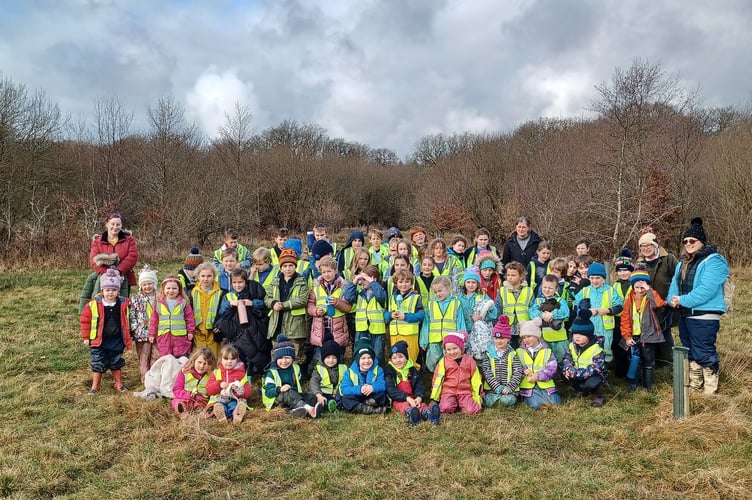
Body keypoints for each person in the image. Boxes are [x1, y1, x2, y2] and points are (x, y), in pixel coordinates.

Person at [668, 217, 729, 394]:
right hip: (685, 314)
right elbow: (674, 285)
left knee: (704, 351)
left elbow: (707, 290)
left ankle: (710, 390)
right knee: (691, 351)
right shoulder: (682, 263)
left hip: (704, 315)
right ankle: (695, 386)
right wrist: (672, 299)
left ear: (701, 241)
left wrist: (682, 300)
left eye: (692, 240)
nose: (688, 244)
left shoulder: (714, 261)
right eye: (685, 241)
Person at [80, 269, 132, 395]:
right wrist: (86, 337)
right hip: (98, 339)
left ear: (118, 291)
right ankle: (95, 386)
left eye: (114, 290)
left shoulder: (124, 304)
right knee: (98, 361)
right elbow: (85, 321)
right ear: (102, 291)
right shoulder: (93, 305)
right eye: (107, 290)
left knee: (116, 361)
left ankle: (118, 383)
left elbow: (130, 319)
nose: (110, 293)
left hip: (117, 339)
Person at [215, 268, 270, 377]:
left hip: (253, 328)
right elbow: (222, 311)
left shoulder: (253, 292)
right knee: (239, 352)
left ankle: (255, 373)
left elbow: (264, 304)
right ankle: (240, 374)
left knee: (255, 350)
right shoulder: (228, 296)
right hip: (235, 330)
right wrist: (231, 304)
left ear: (246, 281)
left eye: (240, 282)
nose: (237, 285)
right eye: (234, 282)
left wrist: (252, 303)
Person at [636, 228, 680, 365]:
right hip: (646, 304)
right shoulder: (639, 263)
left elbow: (678, 278)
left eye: (648, 245)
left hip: (665, 304)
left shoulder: (668, 259)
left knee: (664, 330)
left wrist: (672, 299)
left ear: (655, 246)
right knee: (649, 330)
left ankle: (666, 362)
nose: (645, 248)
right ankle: (650, 362)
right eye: (642, 246)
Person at [620, 270, 667, 392]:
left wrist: (648, 289)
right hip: (633, 337)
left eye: (643, 287)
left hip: (648, 336)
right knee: (634, 361)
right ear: (633, 287)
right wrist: (627, 337)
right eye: (637, 287)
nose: (640, 290)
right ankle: (633, 385)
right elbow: (625, 319)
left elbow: (658, 304)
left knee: (648, 362)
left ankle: (648, 386)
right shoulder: (629, 300)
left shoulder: (650, 297)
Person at [264, 248, 310, 365]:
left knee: (295, 356)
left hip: (295, 326)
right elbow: (267, 298)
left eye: (291, 265)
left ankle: (295, 375)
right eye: (285, 266)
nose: (288, 268)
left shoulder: (301, 281)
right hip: (277, 324)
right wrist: (273, 303)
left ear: (295, 266)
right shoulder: (275, 281)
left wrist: (283, 305)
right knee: (277, 355)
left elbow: (302, 300)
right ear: (281, 267)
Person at [307, 256, 356, 362]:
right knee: (320, 358)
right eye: (323, 272)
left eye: (329, 271)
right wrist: (315, 311)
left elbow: (348, 307)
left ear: (335, 270)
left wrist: (337, 303)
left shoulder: (344, 286)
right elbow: (310, 304)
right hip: (320, 328)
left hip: (338, 330)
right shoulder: (315, 286)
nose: (326, 274)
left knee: (338, 358)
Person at [574, 262, 623, 364]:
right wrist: (585, 311)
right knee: (589, 349)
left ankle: (605, 368)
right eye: (592, 278)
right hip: (588, 327)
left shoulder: (610, 291)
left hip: (605, 329)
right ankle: (589, 369)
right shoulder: (585, 291)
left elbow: (619, 307)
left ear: (603, 278)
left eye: (597, 278)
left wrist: (608, 310)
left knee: (606, 350)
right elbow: (576, 306)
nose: (594, 281)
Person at [262, 336, 321, 418]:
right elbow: (268, 393)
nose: (284, 361)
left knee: (311, 396)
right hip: (275, 399)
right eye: (280, 358)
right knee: (288, 392)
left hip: (292, 396)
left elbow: (297, 387)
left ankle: (293, 411)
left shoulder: (296, 368)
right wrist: (280, 389)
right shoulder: (271, 373)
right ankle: (310, 410)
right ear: (275, 359)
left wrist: (294, 390)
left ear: (292, 358)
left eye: (287, 358)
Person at [384, 341, 440, 425]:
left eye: (401, 357)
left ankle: (428, 413)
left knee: (421, 405)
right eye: (394, 358)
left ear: (406, 358)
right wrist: (407, 398)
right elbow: (391, 390)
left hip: (413, 397)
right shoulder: (389, 371)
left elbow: (419, 385)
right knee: (404, 405)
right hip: (399, 399)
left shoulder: (412, 370)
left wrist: (419, 397)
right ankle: (411, 413)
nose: (398, 360)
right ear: (391, 360)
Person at [420, 276, 466, 372]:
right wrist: (424, 340)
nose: (438, 294)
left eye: (440, 291)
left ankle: (449, 377)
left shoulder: (456, 303)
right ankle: (435, 377)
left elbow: (460, 322)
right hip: (434, 339)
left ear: (448, 288)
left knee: (450, 361)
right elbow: (426, 323)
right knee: (433, 361)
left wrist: (462, 339)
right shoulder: (431, 304)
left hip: (450, 341)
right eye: (435, 292)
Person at [430, 331, 483, 415]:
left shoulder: (469, 360)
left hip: (465, 391)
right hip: (448, 391)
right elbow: (437, 380)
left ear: (461, 348)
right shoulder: (443, 361)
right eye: (448, 349)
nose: (452, 352)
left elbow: (476, 380)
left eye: (455, 348)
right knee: (445, 408)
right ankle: (451, 403)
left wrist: (479, 396)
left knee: (472, 410)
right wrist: (434, 398)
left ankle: (463, 403)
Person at [562, 309, 607, 407]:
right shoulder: (572, 345)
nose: (577, 337)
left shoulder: (596, 348)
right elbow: (567, 358)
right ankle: (581, 390)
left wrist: (576, 373)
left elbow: (596, 368)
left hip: (592, 375)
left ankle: (598, 396)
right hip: (576, 373)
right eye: (575, 334)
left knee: (593, 382)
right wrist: (567, 369)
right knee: (564, 375)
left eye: (581, 334)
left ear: (589, 335)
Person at [88, 212, 139, 298]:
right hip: (103, 278)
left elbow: (132, 257)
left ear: (121, 225)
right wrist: (108, 274)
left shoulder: (129, 240)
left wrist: (119, 271)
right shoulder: (97, 241)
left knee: (122, 303)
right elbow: (93, 261)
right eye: (113, 224)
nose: (115, 227)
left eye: (118, 224)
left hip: (124, 278)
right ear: (107, 224)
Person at [516, 318, 561, 409]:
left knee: (556, 403)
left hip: (544, 383)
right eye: (524, 337)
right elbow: (516, 366)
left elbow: (552, 368)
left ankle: (546, 402)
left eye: (529, 336)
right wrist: (524, 370)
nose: (526, 340)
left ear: (537, 336)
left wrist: (538, 376)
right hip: (528, 385)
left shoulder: (547, 351)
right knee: (535, 404)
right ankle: (539, 403)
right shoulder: (519, 351)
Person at [148, 275, 195, 359]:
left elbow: (189, 319)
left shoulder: (184, 303)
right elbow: (154, 320)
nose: (171, 291)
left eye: (174, 288)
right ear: (163, 289)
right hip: (164, 336)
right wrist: (152, 334)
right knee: (166, 357)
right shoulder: (158, 303)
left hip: (180, 337)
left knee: (180, 357)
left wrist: (190, 331)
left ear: (179, 290)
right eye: (168, 288)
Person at [339, 338, 389, 414]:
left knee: (382, 396)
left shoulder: (378, 370)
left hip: (371, 395)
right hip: (357, 395)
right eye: (363, 358)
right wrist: (359, 389)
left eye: (369, 358)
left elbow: (382, 385)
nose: (366, 361)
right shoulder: (349, 372)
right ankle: (371, 410)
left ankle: (366, 404)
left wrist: (372, 387)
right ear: (357, 360)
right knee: (346, 399)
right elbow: (344, 389)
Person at [530, 274, 570, 368]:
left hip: (559, 338)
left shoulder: (560, 300)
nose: (547, 290)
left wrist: (552, 315)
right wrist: (542, 315)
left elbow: (565, 312)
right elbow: (532, 312)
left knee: (562, 359)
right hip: (543, 337)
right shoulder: (538, 301)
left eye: (550, 288)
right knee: (545, 359)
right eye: (544, 287)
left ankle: (563, 374)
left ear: (556, 289)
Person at [481, 320, 522, 408]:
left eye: (502, 338)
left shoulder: (512, 354)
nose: (499, 341)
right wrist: (497, 387)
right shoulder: (488, 353)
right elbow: (487, 373)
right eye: (496, 338)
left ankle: (501, 401)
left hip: (509, 391)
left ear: (508, 339)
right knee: (489, 399)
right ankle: (495, 400)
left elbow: (517, 372)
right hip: (492, 390)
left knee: (508, 399)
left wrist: (509, 387)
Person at [386, 269, 425, 365]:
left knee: (410, 359)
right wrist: (390, 315)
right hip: (395, 335)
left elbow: (421, 315)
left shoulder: (415, 297)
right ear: (395, 283)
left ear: (411, 283)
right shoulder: (391, 298)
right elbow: (385, 314)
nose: (404, 284)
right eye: (400, 282)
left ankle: (413, 374)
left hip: (410, 335)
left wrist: (406, 317)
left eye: (407, 282)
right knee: (396, 360)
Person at [460, 266, 498, 361]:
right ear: (464, 283)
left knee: (480, 356)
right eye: (468, 282)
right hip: (464, 330)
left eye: (474, 282)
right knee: (467, 356)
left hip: (478, 333)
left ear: (478, 284)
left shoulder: (482, 296)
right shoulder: (459, 298)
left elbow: (494, 312)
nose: (471, 285)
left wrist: (481, 317)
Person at [129, 265, 160, 381]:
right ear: (140, 285)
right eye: (144, 284)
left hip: (157, 332)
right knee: (144, 356)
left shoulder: (160, 298)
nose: (147, 287)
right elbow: (132, 315)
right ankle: (145, 377)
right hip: (142, 333)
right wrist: (135, 329)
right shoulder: (136, 299)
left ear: (154, 284)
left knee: (157, 355)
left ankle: (155, 377)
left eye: (150, 283)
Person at [206, 345, 252, 423]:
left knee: (235, 405)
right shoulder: (216, 373)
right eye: (226, 359)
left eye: (232, 359)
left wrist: (237, 389)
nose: (229, 361)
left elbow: (248, 392)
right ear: (220, 359)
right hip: (220, 399)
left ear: (237, 360)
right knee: (220, 405)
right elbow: (209, 390)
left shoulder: (241, 374)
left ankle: (236, 415)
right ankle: (222, 415)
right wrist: (219, 385)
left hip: (235, 399)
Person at [353, 265, 388, 366]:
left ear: (374, 279)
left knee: (378, 356)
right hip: (362, 330)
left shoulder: (380, 292)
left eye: (365, 279)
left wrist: (372, 282)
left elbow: (380, 296)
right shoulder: (360, 293)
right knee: (361, 354)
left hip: (377, 331)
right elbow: (347, 296)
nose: (362, 281)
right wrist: (354, 283)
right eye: (362, 279)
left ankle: (377, 373)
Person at [494, 261, 533, 349]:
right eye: (508, 275)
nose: (510, 277)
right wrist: (498, 326)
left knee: (523, 351)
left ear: (521, 276)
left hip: (524, 328)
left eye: (513, 275)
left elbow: (532, 309)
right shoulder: (502, 291)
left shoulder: (529, 291)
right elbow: (498, 309)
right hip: (507, 328)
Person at [190, 262, 224, 359]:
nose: (205, 279)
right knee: (198, 357)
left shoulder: (221, 293)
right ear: (198, 276)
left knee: (213, 357)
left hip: (213, 331)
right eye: (203, 276)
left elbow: (223, 312)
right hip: (198, 331)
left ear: (214, 276)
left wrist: (219, 325)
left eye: (209, 276)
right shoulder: (192, 292)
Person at [172, 347, 217, 419]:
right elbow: (177, 389)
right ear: (194, 360)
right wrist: (188, 395)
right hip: (185, 398)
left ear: (210, 364)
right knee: (178, 402)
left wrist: (210, 402)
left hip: (202, 401)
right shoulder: (185, 372)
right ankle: (183, 412)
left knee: (208, 405)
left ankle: (205, 413)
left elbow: (215, 392)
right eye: (199, 362)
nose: (201, 366)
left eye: (205, 363)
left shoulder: (212, 375)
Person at [611, 249, 634, 378]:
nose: (623, 273)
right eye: (620, 271)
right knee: (617, 345)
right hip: (617, 320)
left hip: (631, 320)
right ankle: (620, 371)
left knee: (630, 345)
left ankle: (632, 371)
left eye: (625, 270)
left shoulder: (635, 284)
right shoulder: (614, 286)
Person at [308, 340, 346, 413]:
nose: (331, 360)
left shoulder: (343, 367)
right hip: (322, 393)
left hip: (337, 394)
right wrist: (318, 394)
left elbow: (345, 382)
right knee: (310, 397)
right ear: (323, 358)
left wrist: (337, 393)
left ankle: (334, 405)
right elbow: (314, 382)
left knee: (345, 398)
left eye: (334, 358)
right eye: (328, 357)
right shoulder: (319, 368)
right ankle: (327, 405)